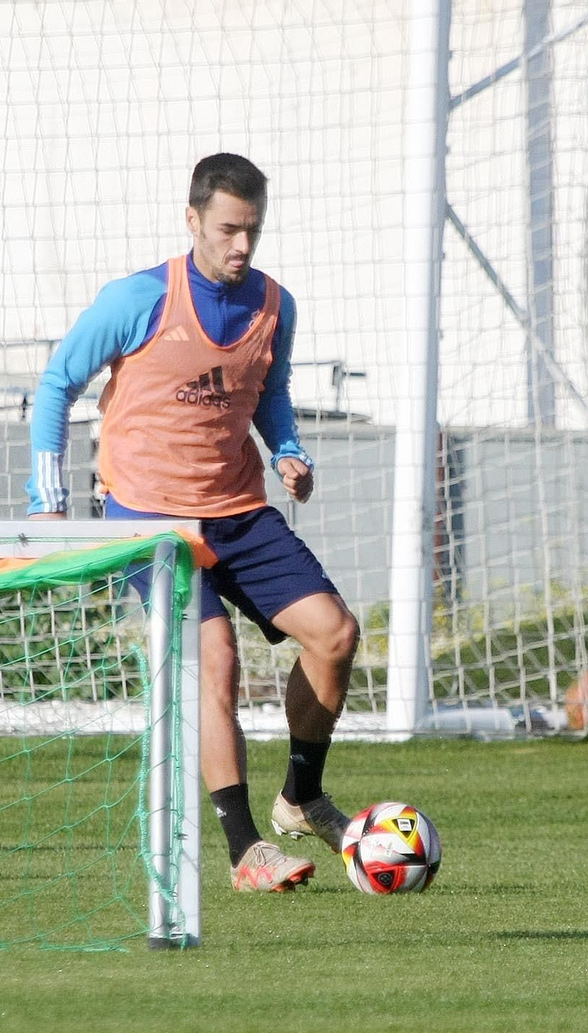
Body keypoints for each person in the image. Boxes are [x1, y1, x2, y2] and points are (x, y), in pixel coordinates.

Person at [26, 153, 361, 893]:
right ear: (192, 221)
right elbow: (55, 384)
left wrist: (290, 450)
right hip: (149, 518)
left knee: (334, 634)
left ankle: (301, 796)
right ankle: (246, 848)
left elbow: (269, 392)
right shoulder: (137, 298)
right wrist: (44, 499)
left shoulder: (276, 303)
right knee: (217, 659)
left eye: (253, 231)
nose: (242, 246)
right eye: (228, 230)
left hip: (238, 509)